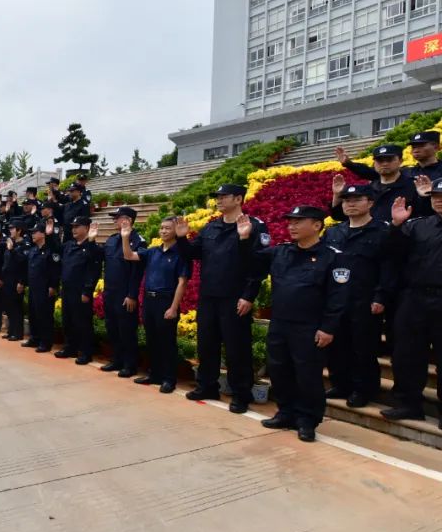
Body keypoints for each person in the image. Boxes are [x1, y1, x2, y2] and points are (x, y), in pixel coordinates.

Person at [238, 206, 351, 442]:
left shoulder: (334, 257)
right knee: (279, 370)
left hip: (309, 327)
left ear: (317, 225)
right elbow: (252, 260)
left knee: (307, 376)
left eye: (299, 222)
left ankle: (307, 420)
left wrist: (328, 328)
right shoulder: (281, 252)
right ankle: (286, 412)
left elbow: (338, 297)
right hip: (280, 324)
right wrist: (245, 238)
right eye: (290, 222)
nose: (292, 226)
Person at [174, 184, 268, 414]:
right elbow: (192, 254)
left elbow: (259, 264)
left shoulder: (254, 226)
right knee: (207, 344)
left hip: (235, 297)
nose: (219, 200)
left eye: (224, 196)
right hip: (209, 296)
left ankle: (240, 394)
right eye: (217, 196)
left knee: (237, 348)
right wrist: (182, 238)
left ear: (238, 199)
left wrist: (249, 296)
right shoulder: (211, 227)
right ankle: (207, 386)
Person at [322, 184, 396, 407]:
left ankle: (363, 389)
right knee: (336, 346)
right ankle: (341, 383)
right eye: (346, 200)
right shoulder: (334, 232)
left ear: (371, 203)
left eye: (356, 199)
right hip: (336, 300)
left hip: (364, 299)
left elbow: (389, 267)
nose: (350, 204)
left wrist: (381, 296)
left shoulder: (383, 231)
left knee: (363, 347)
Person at [380, 185, 442, 424]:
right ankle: (408, 404)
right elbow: (390, 252)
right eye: (435, 197)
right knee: (406, 354)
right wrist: (396, 226)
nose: (438, 201)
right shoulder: (417, 225)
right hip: (414, 298)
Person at [119, 216, 192, 394]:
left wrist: (174, 308)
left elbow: (182, 283)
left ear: (176, 231)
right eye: (161, 228)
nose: (163, 231)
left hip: (166, 301)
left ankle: (169, 379)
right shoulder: (153, 251)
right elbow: (128, 255)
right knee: (152, 340)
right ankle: (155, 374)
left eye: (168, 228)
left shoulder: (181, 254)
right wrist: (125, 237)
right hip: (150, 300)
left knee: (167, 342)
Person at [338, 131, 442, 217]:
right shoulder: (406, 171)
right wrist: (349, 164)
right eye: (413, 146)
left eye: (421, 145)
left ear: (437, 147)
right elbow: (373, 172)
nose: (416, 150)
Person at [98, 206, 145, 378]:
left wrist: (132, 294)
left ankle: (129, 364)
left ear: (128, 220)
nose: (115, 221)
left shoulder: (138, 240)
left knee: (127, 330)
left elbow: (137, 271)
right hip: (110, 292)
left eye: (118, 217)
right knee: (112, 328)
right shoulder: (111, 240)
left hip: (125, 294)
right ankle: (116, 359)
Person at [330, 146, 417, 223]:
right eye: (380, 160)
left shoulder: (414, 185)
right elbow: (340, 216)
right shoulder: (367, 190)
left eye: (389, 159)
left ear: (400, 161)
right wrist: (337, 194)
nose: (384, 164)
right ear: (374, 163)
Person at [58, 216, 103, 365]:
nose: (74, 229)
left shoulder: (93, 247)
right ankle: (70, 347)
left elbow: (93, 270)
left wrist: (87, 290)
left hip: (81, 291)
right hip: (67, 289)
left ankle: (85, 352)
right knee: (68, 320)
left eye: (77, 226)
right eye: (73, 227)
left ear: (87, 228)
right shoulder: (70, 245)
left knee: (82, 322)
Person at [21, 225, 60, 352]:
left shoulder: (50, 250)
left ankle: (45, 341)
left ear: (43, 234)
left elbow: (55, 270)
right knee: (33, 314)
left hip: (45, 288)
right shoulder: (33, 250)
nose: (32, 234)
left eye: (35, 232)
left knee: (44, 315)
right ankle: (35, 338)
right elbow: (29, 269)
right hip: (33, 287)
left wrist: (53, 286)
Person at [1, 219, 30, 341]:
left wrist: (21, 282)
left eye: (13, 229)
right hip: (7, 279)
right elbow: (6, 262)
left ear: (19, 230)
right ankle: (11, 330)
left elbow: (23, 263)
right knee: (8, 306)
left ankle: (18, 333)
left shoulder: (25, 245)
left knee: (16, 307)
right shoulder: (10, 243)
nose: (10, 231)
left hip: (17, 280)